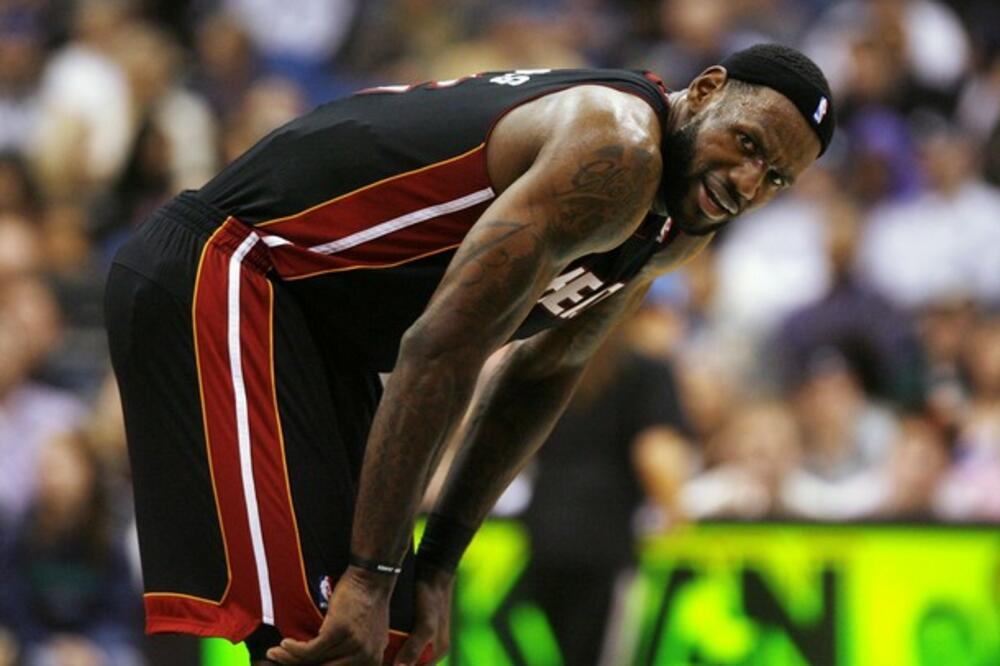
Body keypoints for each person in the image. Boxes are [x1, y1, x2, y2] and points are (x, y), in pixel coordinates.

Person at [104, 43, 833, 666]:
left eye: (775, 179)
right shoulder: (619, 150)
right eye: (748, 144)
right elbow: (442, 345)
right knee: (325, 629)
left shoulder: (675, 230)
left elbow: (544, 368)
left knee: (386, 638)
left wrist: (437, 563)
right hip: (233, 266)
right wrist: (373, 572)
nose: (748, 184)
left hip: (318, 329)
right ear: (705, 90)